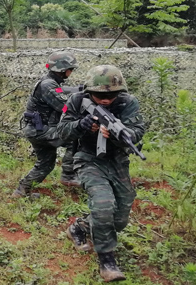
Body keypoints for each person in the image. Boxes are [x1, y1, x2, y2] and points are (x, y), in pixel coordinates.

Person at [58, 65, 145, 282]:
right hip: (87, 159)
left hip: (117, 162)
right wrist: (82, 125)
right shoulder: (78, 101)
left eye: (112, 95)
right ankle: (107, 261)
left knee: (120, 218)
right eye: (99, 95)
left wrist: (117, 134)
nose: (105, 100)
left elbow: (138, 131)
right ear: (89, 91)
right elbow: (62, 131)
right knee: (104, 205)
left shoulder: (128, 103)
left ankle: (78, 227)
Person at [13, 51, 81, 198]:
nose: (71, 72)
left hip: (37, 129)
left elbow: (62, 93)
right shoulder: (48, 84)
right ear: (63, 70)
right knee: (75, 137)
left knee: (46, 164)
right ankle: (68, 174)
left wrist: (79, 91)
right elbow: (64, 107)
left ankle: (21, 191)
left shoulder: (51, 82)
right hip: (42, 130)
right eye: (71, 69)